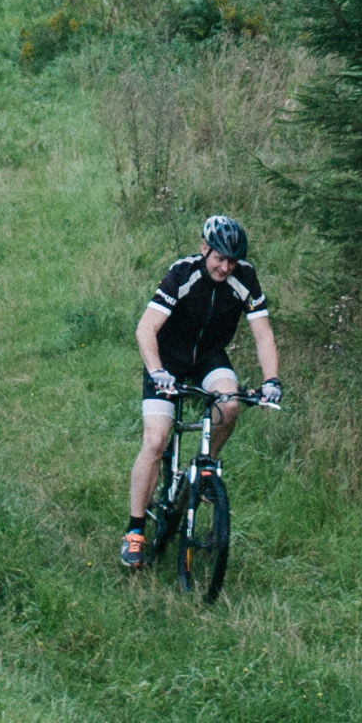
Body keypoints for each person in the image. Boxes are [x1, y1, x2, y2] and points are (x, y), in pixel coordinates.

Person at [123, 212, 280, 566]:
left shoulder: (246, 279)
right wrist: (157, 370)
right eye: (219, 258)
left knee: (230, 404)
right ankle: (135, 531)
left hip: (209, 357)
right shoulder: (183, 273)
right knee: (155, 439)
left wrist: (271, 381)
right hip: (167, 359)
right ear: (204, 249)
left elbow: (263, 334)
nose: (225, 268)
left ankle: (201, 471)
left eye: (232, 261)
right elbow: (145, 329)